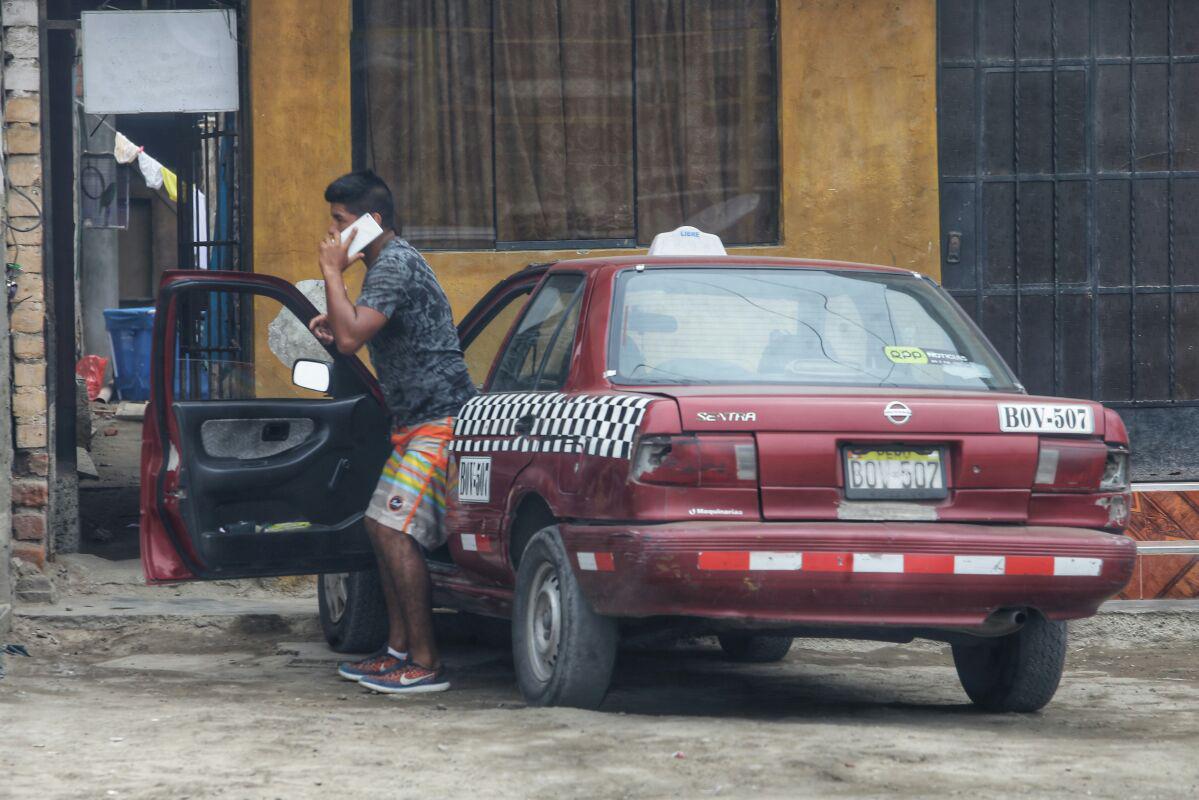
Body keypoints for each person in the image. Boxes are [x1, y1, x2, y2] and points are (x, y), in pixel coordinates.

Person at [309, 170, 476, 694]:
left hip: (440, 420)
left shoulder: (395, 263)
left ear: (371, 221)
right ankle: (396, 652)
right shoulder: (382, 264)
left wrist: (332, 273)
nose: (333, 234)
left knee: (393, 530)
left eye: (340, 222)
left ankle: (425, 663)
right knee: (380, 528)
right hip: (414, 424)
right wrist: (333, 318)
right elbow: (351, 330)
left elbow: (353, 339)